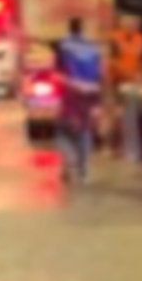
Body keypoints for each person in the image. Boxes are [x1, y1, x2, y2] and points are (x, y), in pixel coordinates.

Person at [55, 17, 103, 184]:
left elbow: (60, 71)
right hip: (91, 92)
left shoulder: (64, 45)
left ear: (69, 28)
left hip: (72, 91)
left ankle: (69, 163)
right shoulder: (93, 47)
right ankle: (84, 169)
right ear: (82, 29)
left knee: (64, 130)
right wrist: (97, 101)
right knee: (85, 130)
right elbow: (99, 73)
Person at [108, 15, 142, 157]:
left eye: (135, 26)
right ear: (123, 26)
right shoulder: (115, 39)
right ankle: (115, 146)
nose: (133, 28)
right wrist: (129, 74)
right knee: (118, 115)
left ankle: (133, 145)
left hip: (134, 83)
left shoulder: (141, 40)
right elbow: (111, 60)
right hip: (117, 81)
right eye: (130, 25)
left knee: (134, 114)